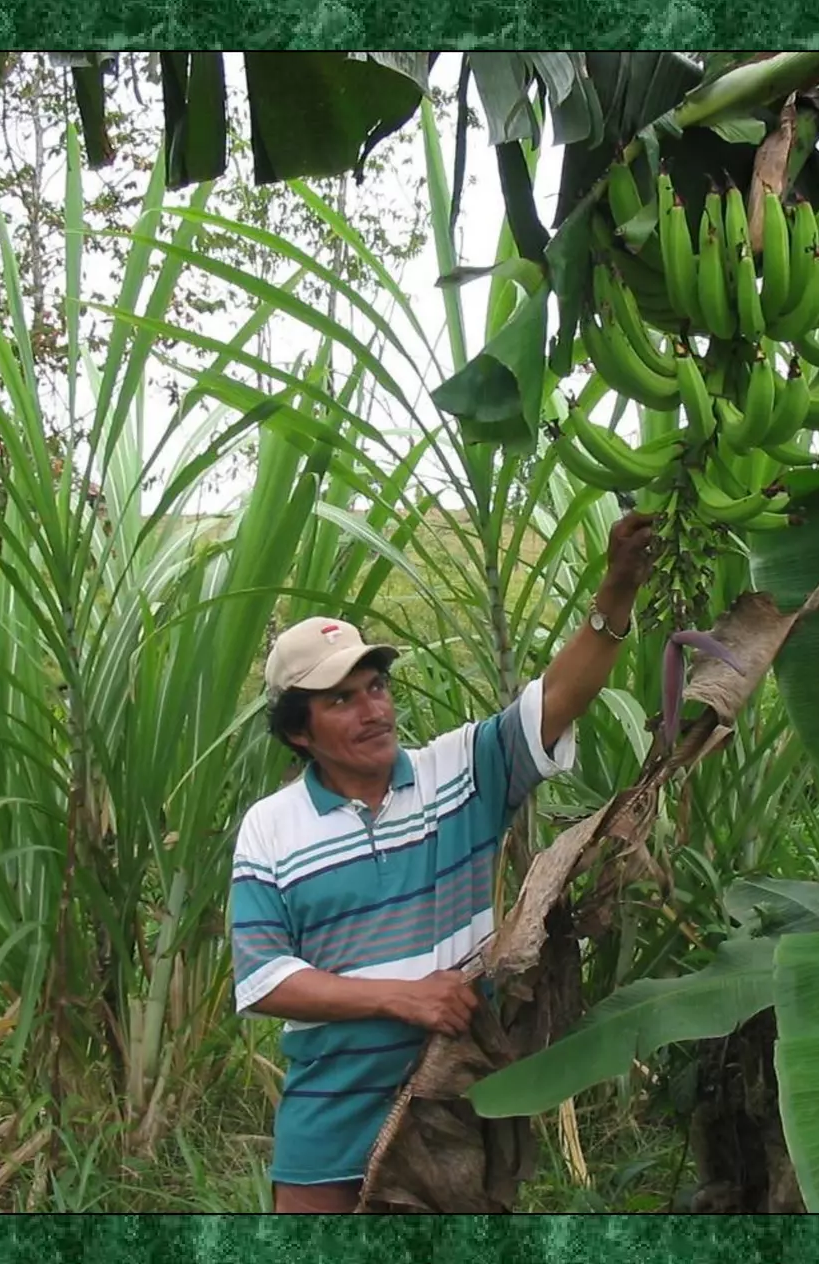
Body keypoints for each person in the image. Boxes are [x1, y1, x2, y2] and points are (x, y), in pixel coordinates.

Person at [231, 512, 660, 1213]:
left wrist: (616, 589)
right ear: (299, 732)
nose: (374, 709)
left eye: (376, 686)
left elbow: (555, 700)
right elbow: (264, 978)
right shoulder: (272, 829)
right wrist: (400, 997)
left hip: (455, 1099)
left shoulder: (458, 774)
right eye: (342, 699)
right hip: (331, 1111)